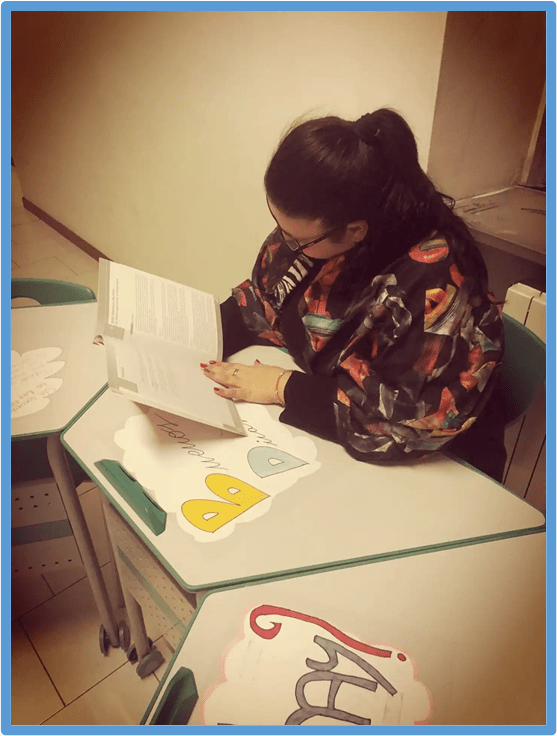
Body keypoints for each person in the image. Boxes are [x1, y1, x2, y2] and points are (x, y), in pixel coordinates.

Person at [201, 109, 506, 481]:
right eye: (279, 226)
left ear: (355, 230)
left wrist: (283, 387)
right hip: (324, 423)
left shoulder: (433, 286)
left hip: (433, 471)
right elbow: (267, 299)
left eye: (296, 238)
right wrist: (196, 336)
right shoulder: (319, 235)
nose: (284, 243)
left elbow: (398, 425)